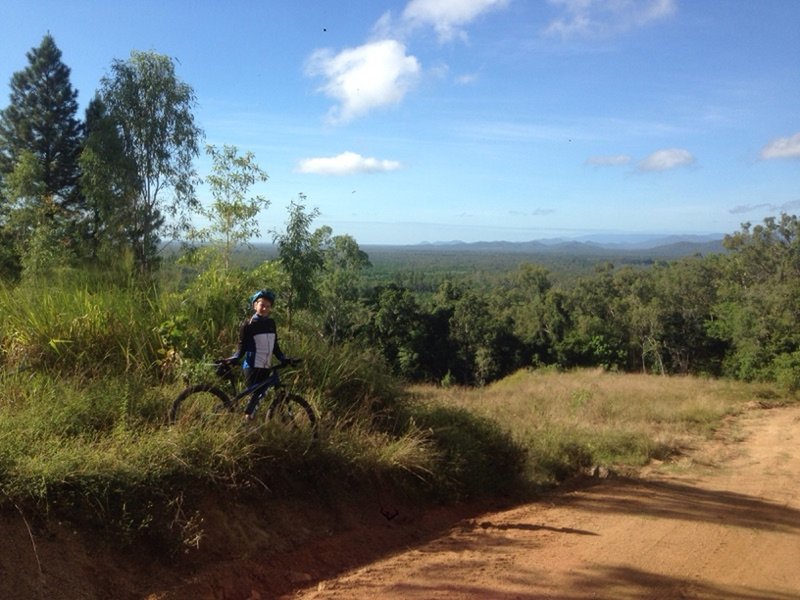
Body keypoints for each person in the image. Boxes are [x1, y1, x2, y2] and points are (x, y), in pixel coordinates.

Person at [223, 289, 288, 419]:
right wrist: (234, 358)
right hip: (252, 367)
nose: (264, 308)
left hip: (265, 367)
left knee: (258, 397)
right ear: (255, 305)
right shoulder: (248, 325)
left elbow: (275, 345)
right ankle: (245, 422)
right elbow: (241, 348)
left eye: (267, 306)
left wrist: (283, 358)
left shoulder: (271, 323)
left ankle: (247, 422)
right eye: (262, 305)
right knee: (256, 396)